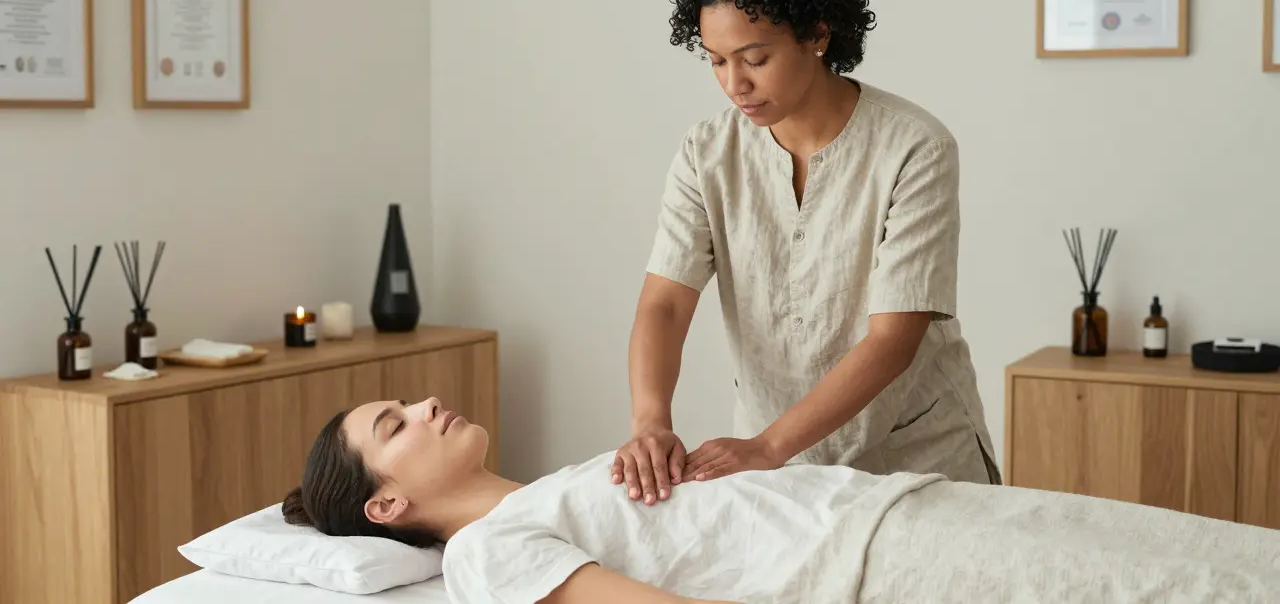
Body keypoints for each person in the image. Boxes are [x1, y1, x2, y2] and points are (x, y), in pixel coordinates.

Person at [614, 0, 999, 507]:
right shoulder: (706, 153)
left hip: (913, 459)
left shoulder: (913, 147)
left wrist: (770, 447)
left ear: (817, 36)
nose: (734, 84)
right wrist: (650, 422)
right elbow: (665, 302)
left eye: (755, 58)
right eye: (716, 61)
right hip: (773, 470)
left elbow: (893, 339)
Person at [283, 396, 1280, 604]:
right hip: (868, 568)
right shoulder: (480, 556)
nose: (423, 404)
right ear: (385, 508)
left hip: (893, 509)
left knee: (1184, 548)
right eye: (393, 427)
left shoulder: (545, 488)